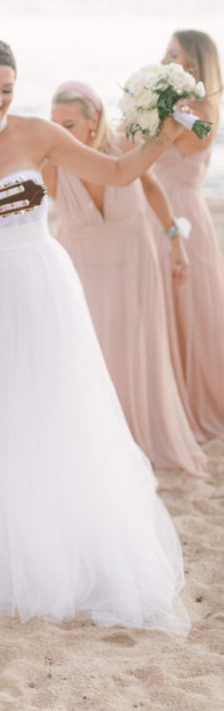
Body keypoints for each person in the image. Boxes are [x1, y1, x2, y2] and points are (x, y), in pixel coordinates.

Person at [0, 38, 190, 633]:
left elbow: (115, 170)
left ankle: (47, 533)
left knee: (46, 409)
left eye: (6, 89)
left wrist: (165, 132)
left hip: (38, 281)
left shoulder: (39, 134)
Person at [43, 81, 205, 476]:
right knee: (91, 350)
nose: (59, 135)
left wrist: (175, 241)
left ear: (93, 119)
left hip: (135, 261)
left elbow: (153, 189)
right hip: (81, 265)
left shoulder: (125, 149)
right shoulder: (49, 165)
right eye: (53, 125)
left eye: (69, 125)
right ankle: (95, 439)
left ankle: (137, 437)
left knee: (135, 347)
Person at [151, 30, 224, 440]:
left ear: (194, 64)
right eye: (165, 51)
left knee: (189, 312)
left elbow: (193, 135)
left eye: (173, 54)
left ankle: (191, 404)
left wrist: (165, 109)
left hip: (185, 216)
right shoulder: (166, 105)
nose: (164, 59)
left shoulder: (203, 110)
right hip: (154, 211)